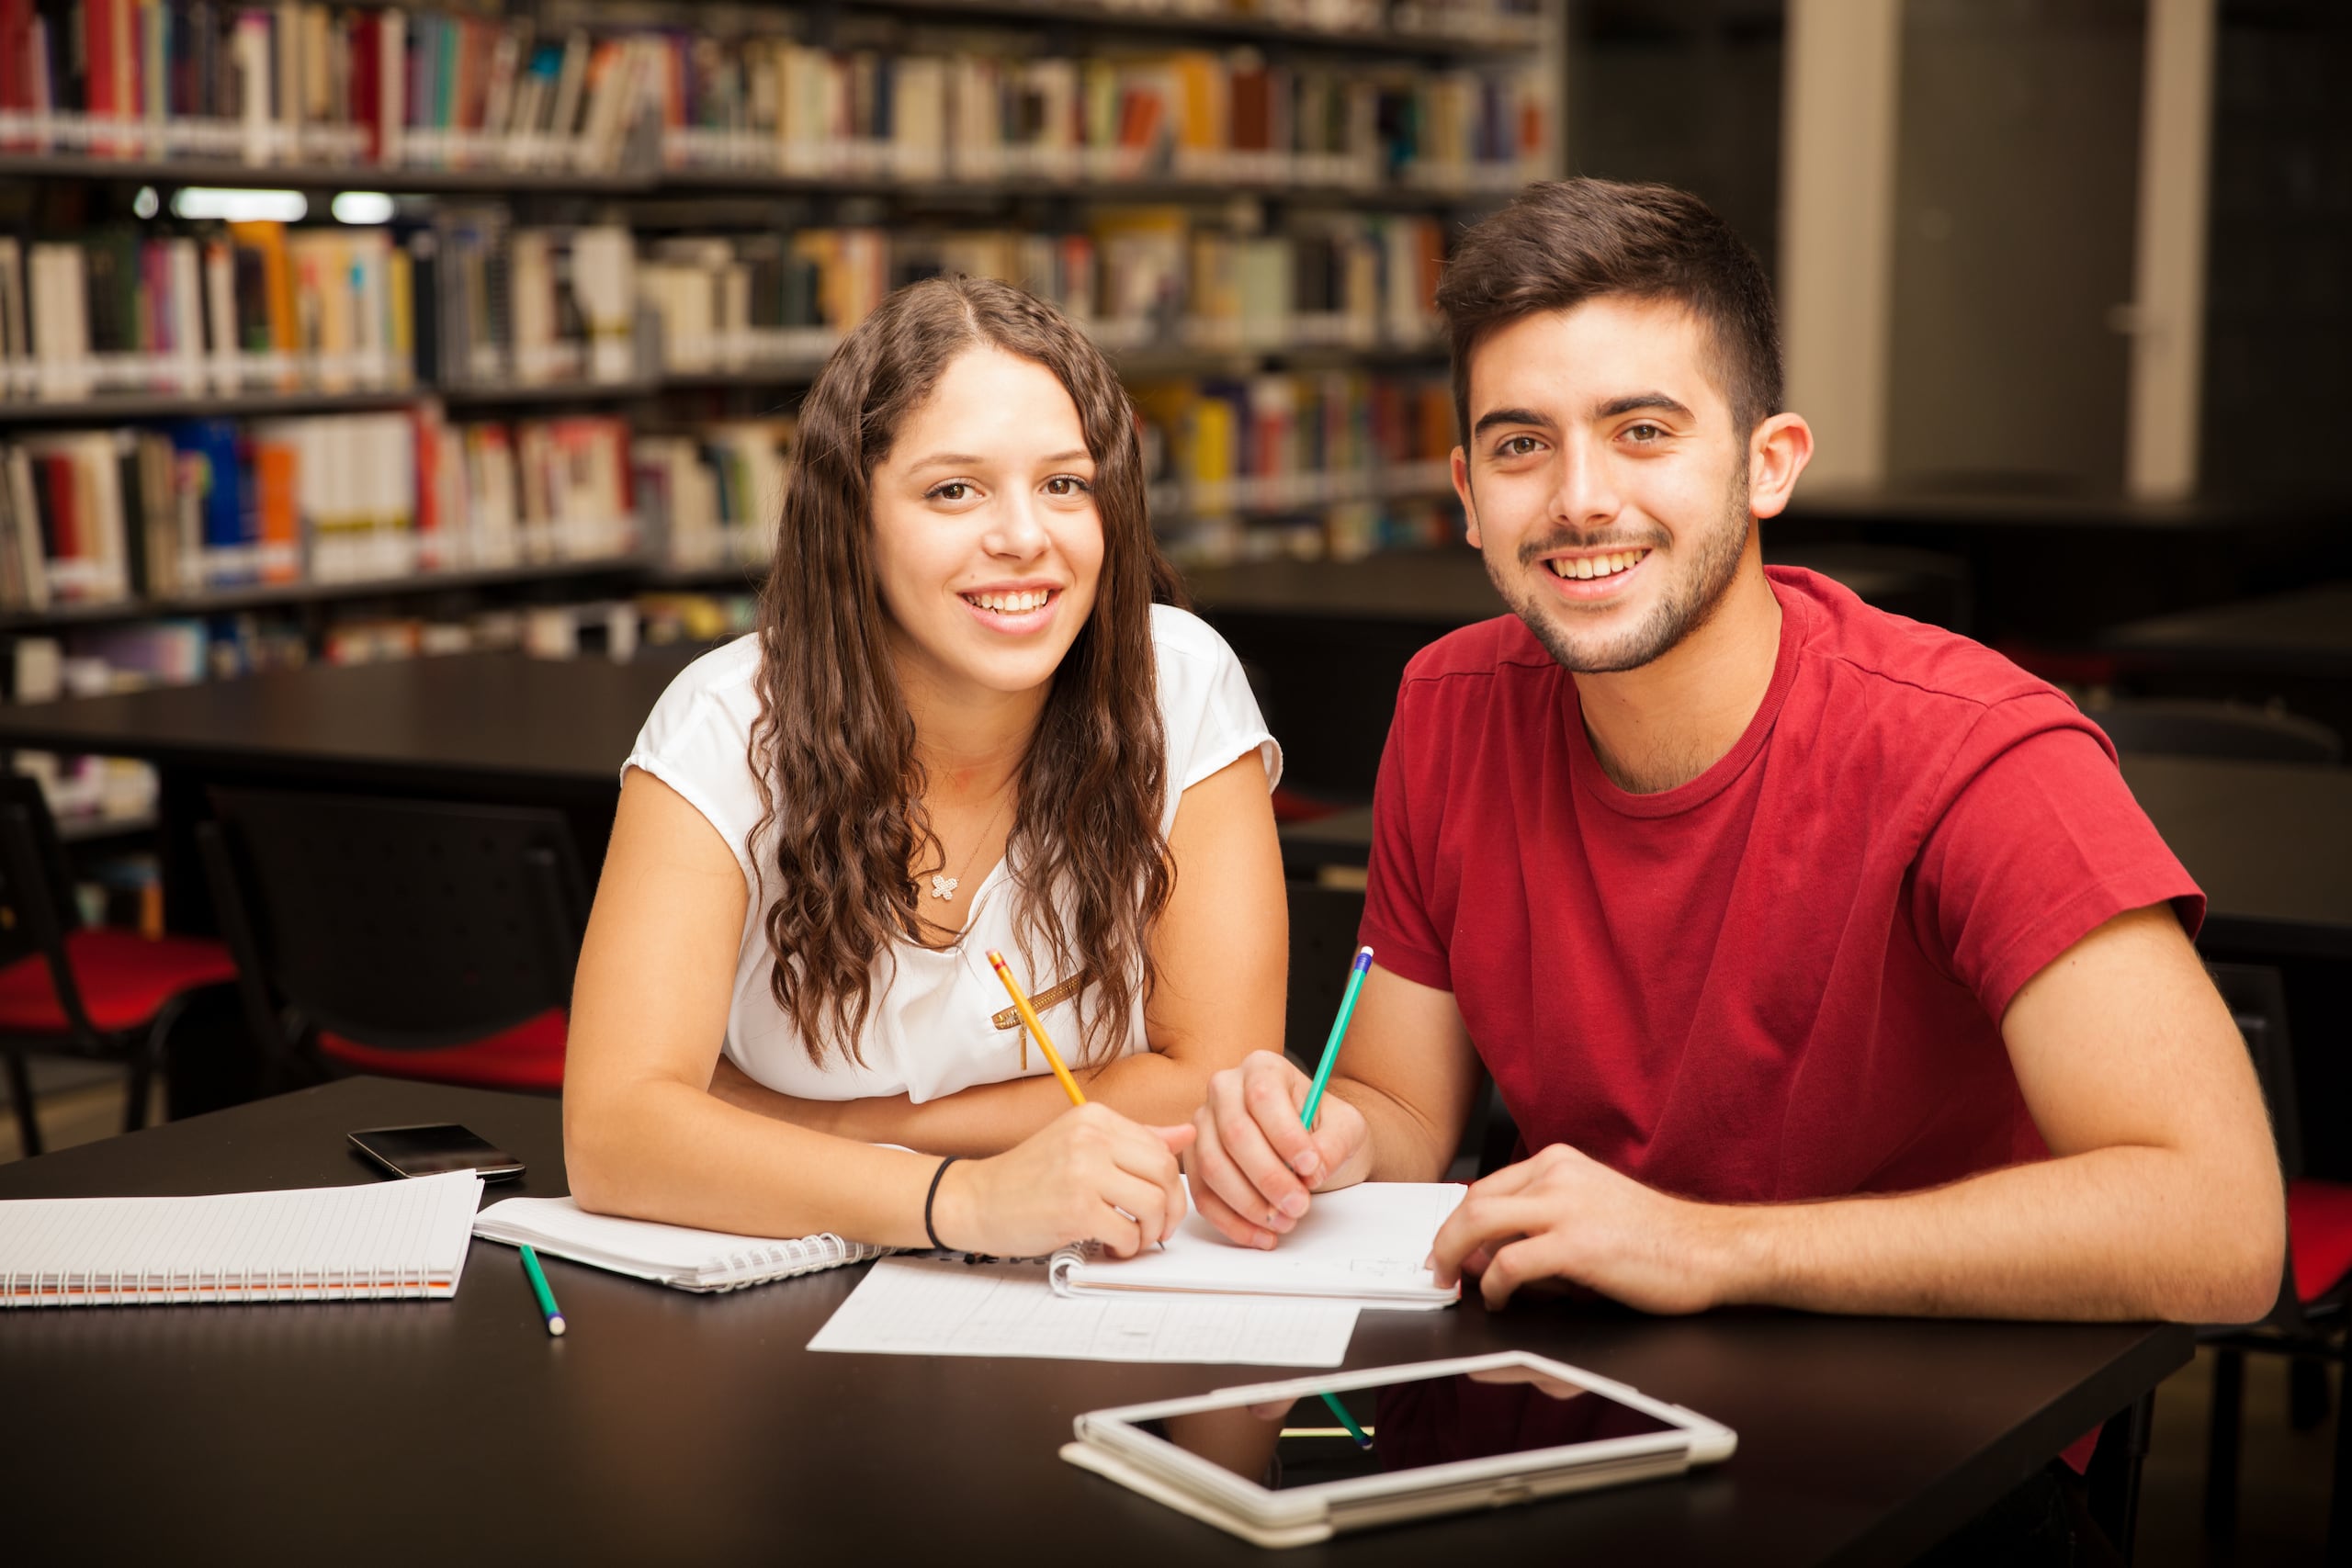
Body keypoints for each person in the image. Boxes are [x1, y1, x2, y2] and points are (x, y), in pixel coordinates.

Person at [1187, 179, 2283, 1331]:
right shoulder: (1449, 706)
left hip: (1924, 1399)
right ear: (1467, 494)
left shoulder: (1976, 752)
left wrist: (1708, 1248)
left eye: (1642, 431)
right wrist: (1324, 1141)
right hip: (1578, 1373)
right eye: (1521, 445)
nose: (1580, 499)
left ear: (1770, 465)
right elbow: (1404, 1109)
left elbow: (2222, 1227)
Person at [565, 276, 1286, 1260]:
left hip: (1110, 1280)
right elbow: (612, 1135)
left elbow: (1212, 1083)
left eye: (1065, 484)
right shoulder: (725, 724)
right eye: (955, 490)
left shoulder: (1180, 686)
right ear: (852, 519)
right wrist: (966, 1198)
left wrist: (819, 1128)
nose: (1024, 538)